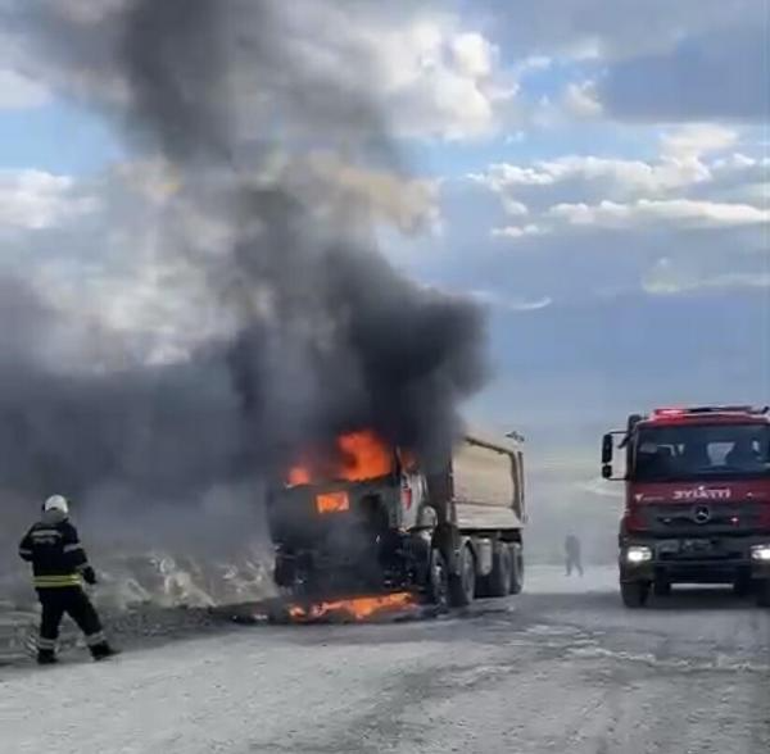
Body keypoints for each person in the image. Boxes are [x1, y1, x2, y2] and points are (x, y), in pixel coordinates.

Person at [18, 494, 118, 665]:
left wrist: (41, 555)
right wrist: (88, 574)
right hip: (67, 584)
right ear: (63, 509)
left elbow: (24, 553)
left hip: (44, 586)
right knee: (86, 616)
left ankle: (45, 654)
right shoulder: (66, 529)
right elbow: (75, 554)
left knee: (50, 620)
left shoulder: (36, 529)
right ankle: (100, 650)